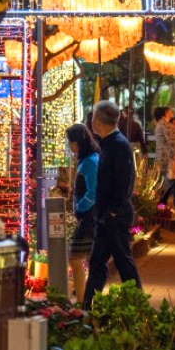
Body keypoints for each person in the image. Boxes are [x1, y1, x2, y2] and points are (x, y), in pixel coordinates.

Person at [83, 100, 141, 308]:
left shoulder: (116, 145)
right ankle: (88, 305)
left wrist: (114, 210)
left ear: (97, 122)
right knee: (100, 262)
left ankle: (135, 301)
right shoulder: (113, 143)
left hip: (113, 216)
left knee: (122, 260)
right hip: (108, 215)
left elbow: (123, 180)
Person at [65, 123, 99, 303]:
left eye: (70, 142)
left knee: (75, 257)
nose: (69, 146)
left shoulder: (90, 162)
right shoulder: (89, 160)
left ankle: (82, 300)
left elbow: (94, 190)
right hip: (88, 217)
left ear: (77, 143)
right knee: (81, 258)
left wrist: (80, 207)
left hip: (88, 218)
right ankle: (83, 299)